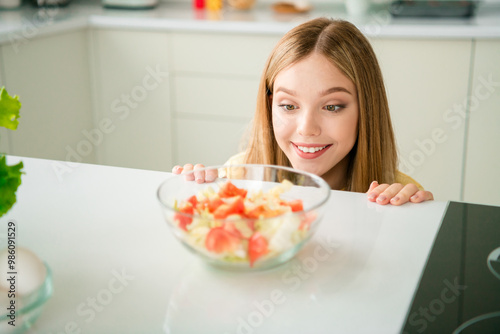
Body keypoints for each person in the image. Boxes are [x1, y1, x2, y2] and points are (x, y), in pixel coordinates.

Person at [173, 17, 434, 206]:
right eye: (288, 106)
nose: (307, 128)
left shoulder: (398, 194)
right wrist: (195, 190)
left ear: (366, 110)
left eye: (332, 107)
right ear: (270, 106)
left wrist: (410, 219)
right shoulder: (238, 176)